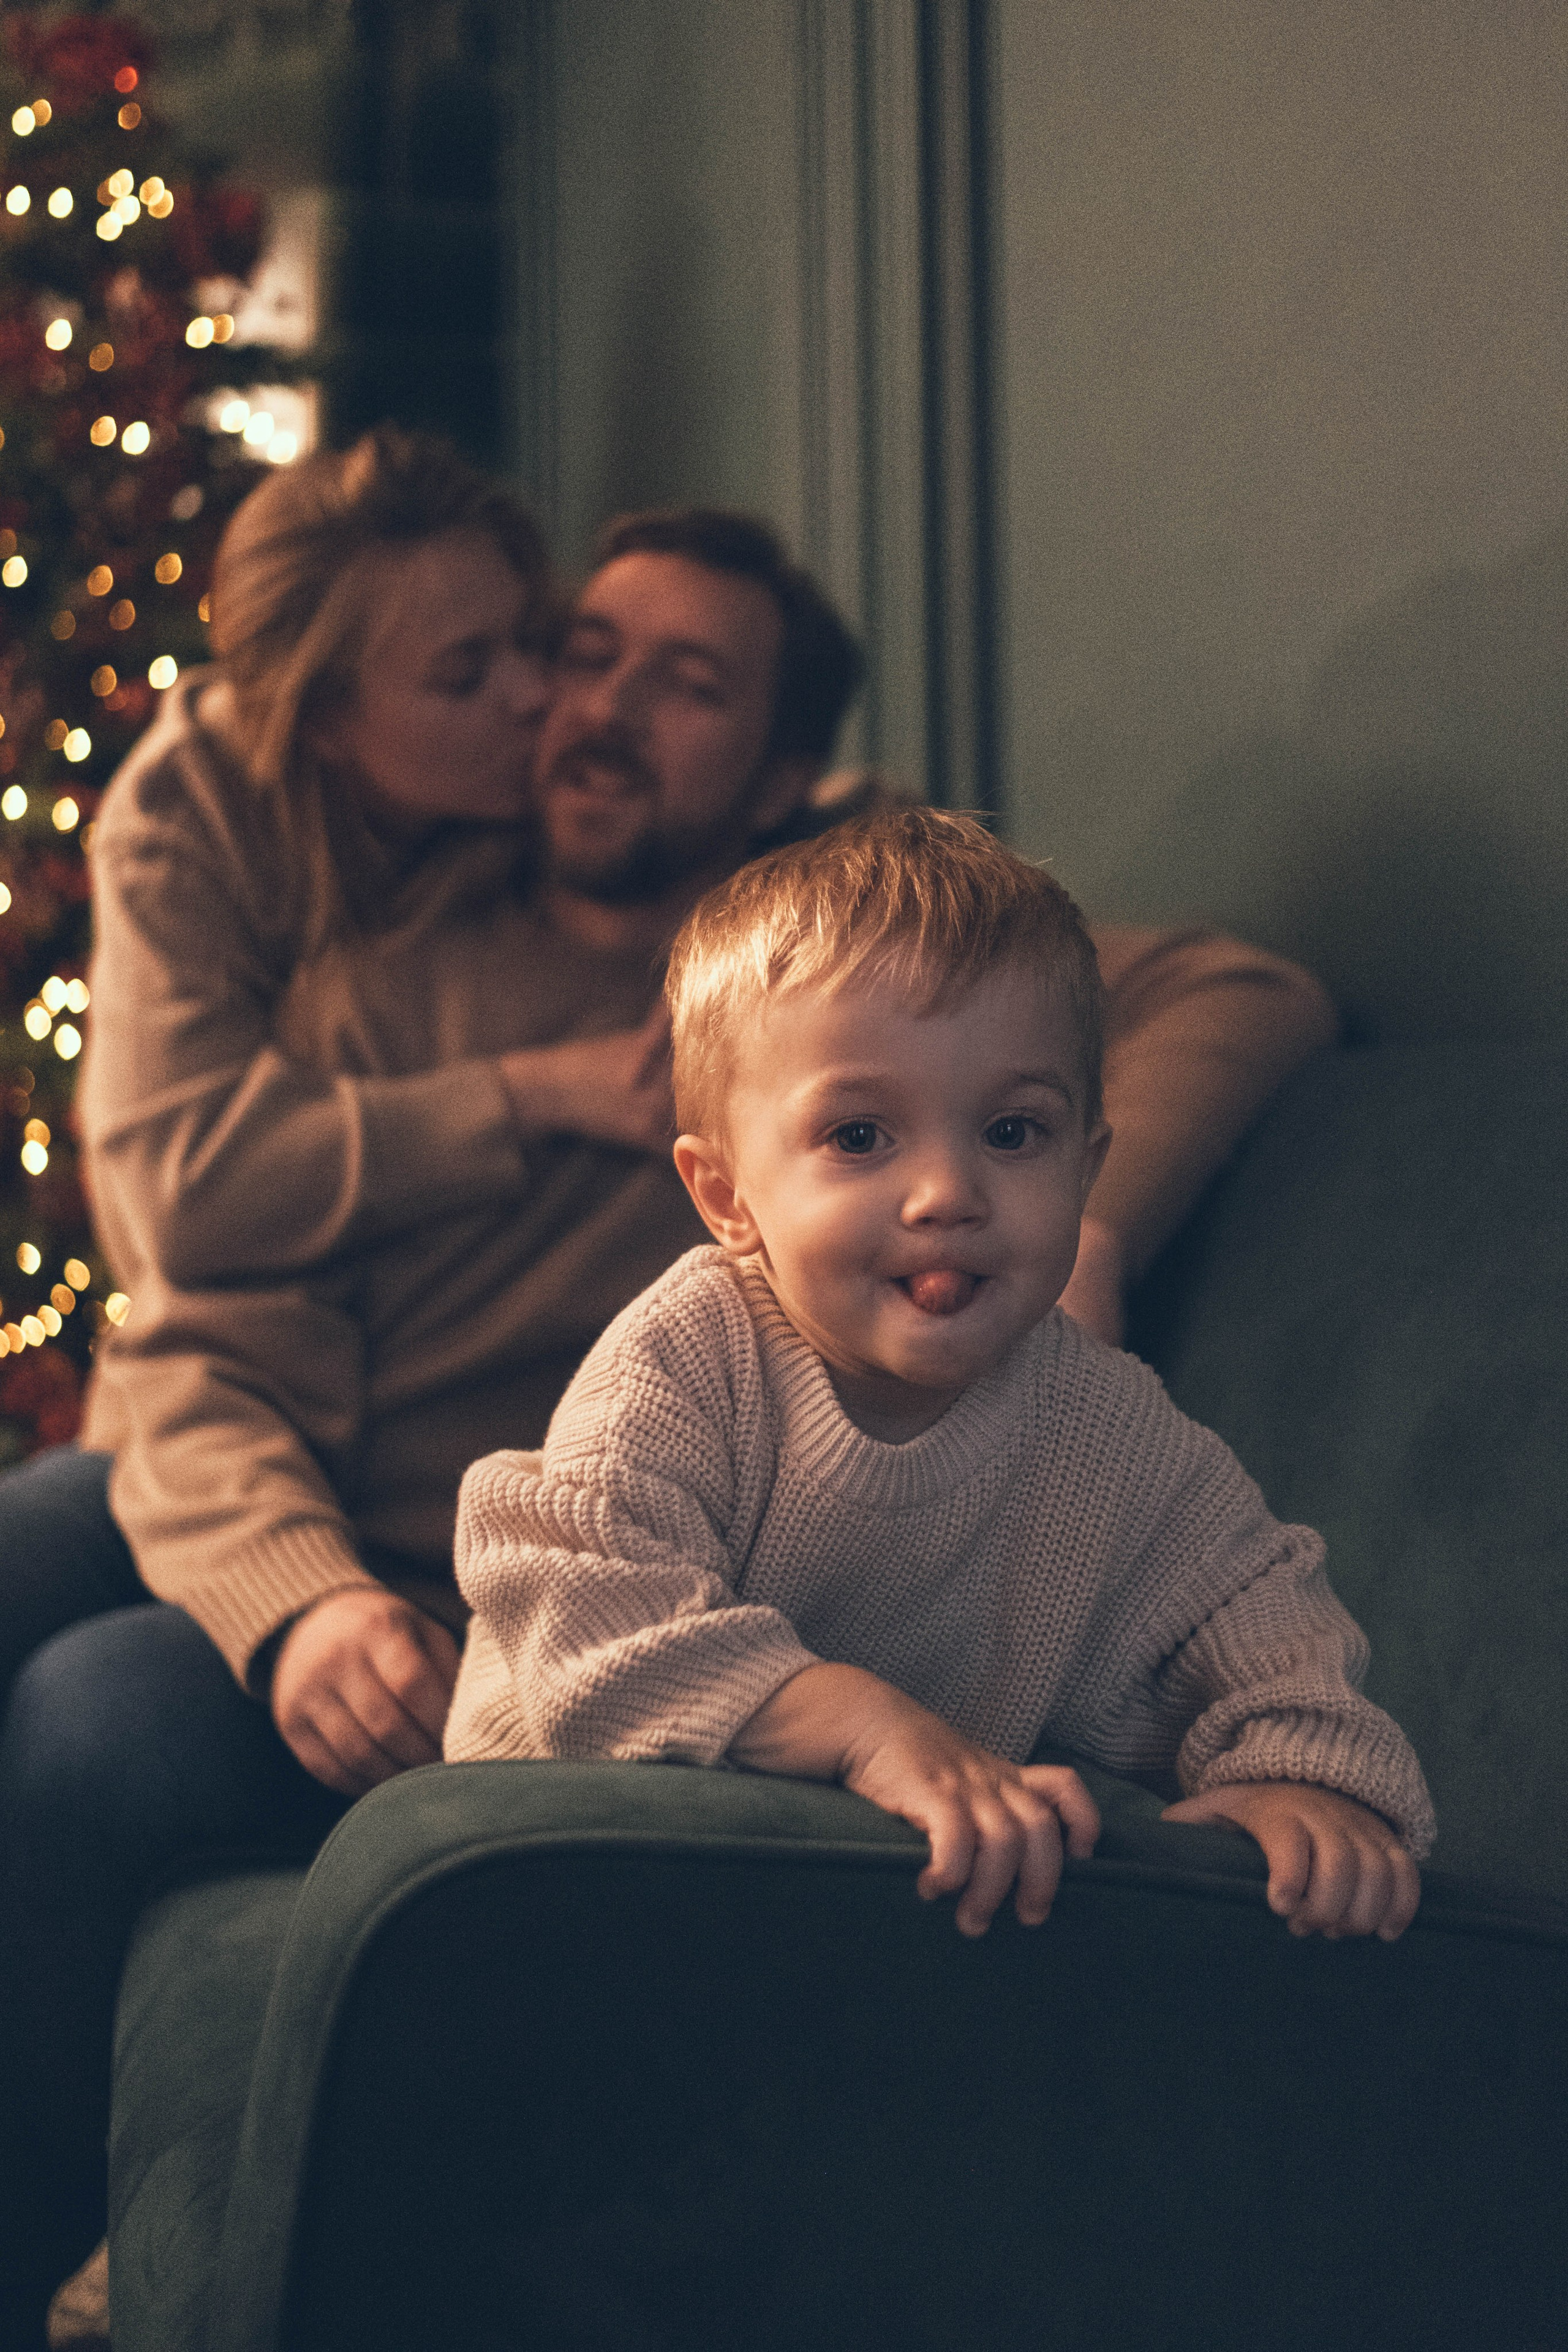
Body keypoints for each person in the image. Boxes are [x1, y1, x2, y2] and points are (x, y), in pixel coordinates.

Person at [0, 459, 1327, 2340]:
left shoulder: (842, 997)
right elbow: (206, 1325)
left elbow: (1248, 986)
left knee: (88, 1721)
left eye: (685, 684)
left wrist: (1091, 1223)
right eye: (582, 650)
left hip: (620, 1589)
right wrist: (297, 1595)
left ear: (790, 776)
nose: (596, 708)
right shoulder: (387, 975)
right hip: (357, 1550)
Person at [447, 807, 1432, 1943]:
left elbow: (1258, 1614)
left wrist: (1303, 1778)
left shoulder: (1105, 1429)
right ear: (726, 1197)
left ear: (1087, 1168)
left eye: (1014, 1133)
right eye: (861, 1138)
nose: (948, 1193)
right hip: (552, 1867)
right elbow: (590, 1611)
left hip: (867, 1910)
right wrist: (863, 1724)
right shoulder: (690, 1357)